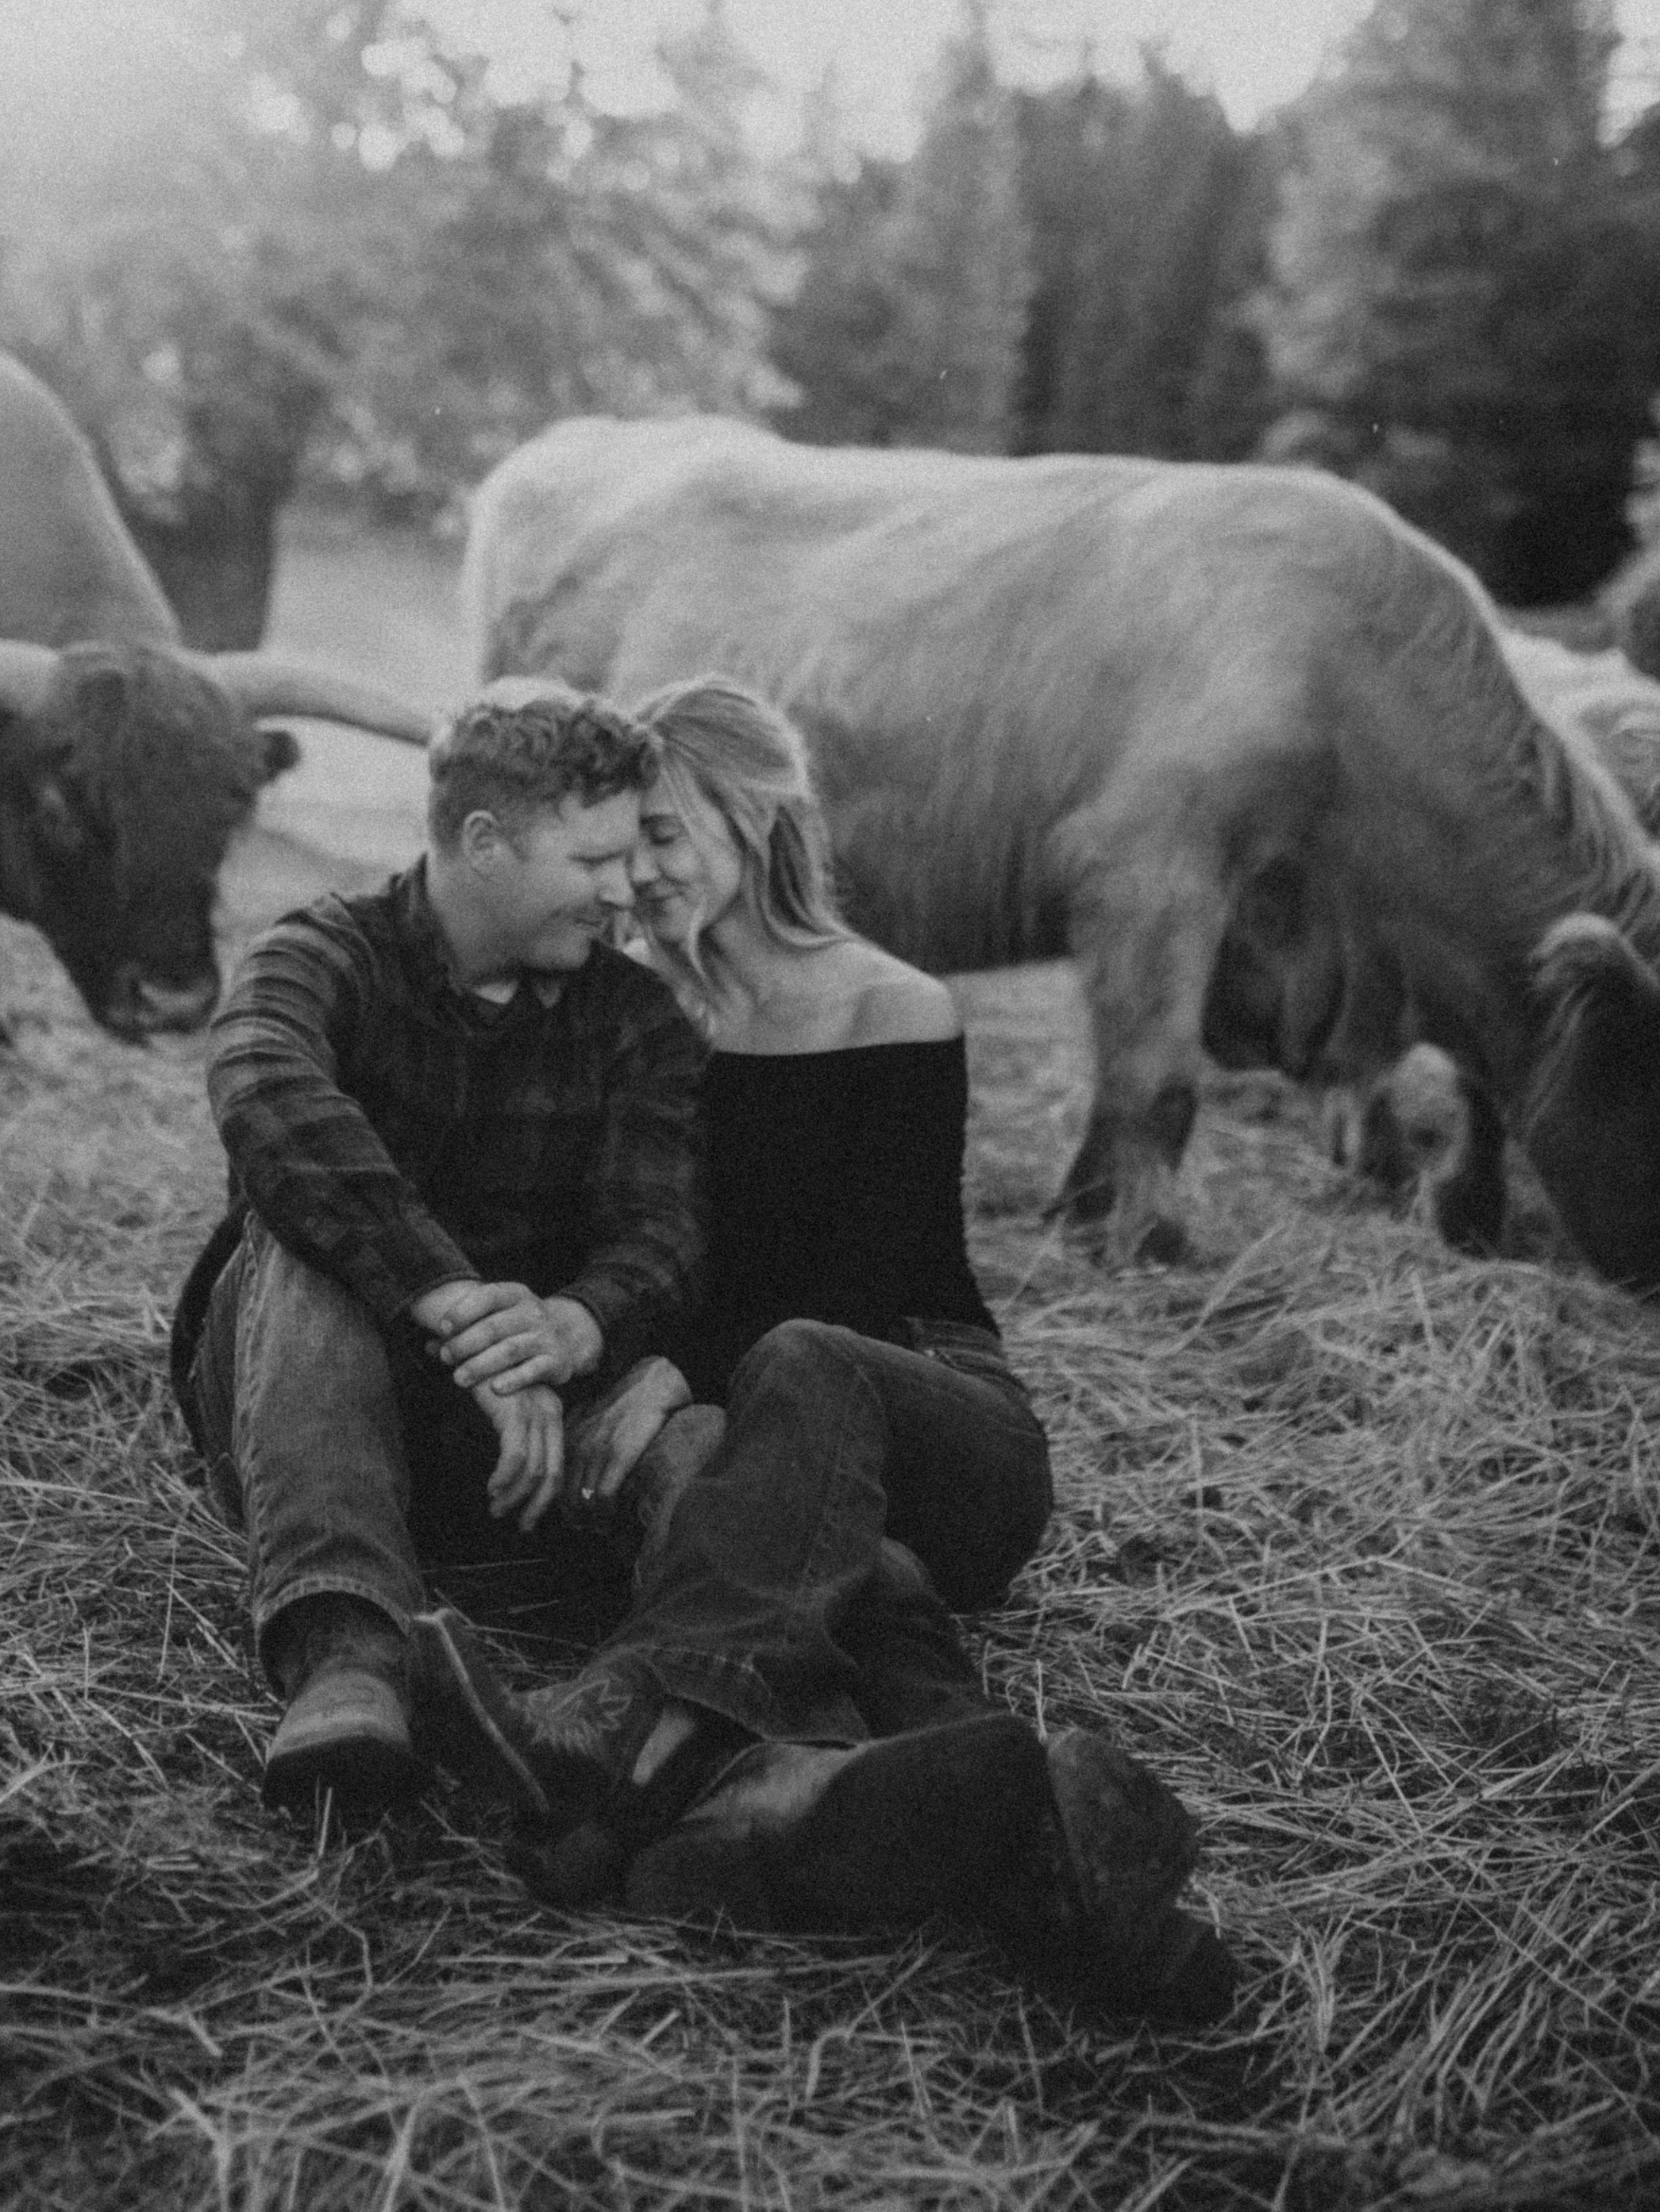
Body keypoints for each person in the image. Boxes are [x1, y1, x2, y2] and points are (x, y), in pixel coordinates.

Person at [414, 679, 1234, 2019]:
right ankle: (934, 1837)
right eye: (619, 852)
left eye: (668, 835)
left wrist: (678, 1365)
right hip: (799, 1474)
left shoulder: (894, 1006)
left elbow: (863, 1278)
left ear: (758, 818)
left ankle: (621, 1721)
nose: (640, 877)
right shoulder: (640, 1022)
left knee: (804, 1355)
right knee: (866, 1568)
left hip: (942, 1419)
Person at [168, 684, 709, 1824]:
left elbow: (659, 1227)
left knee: (702, 1444)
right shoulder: (323, 952)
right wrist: (448, 1298)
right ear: (483, 841)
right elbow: (265, 1082)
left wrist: (574, 1325)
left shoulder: (638, 1016)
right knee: (304, 1237)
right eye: (593, 858)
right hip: (305, 1413)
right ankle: (348, 1661)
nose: (628, 890)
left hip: (531, 1440)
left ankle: (684, 1699)